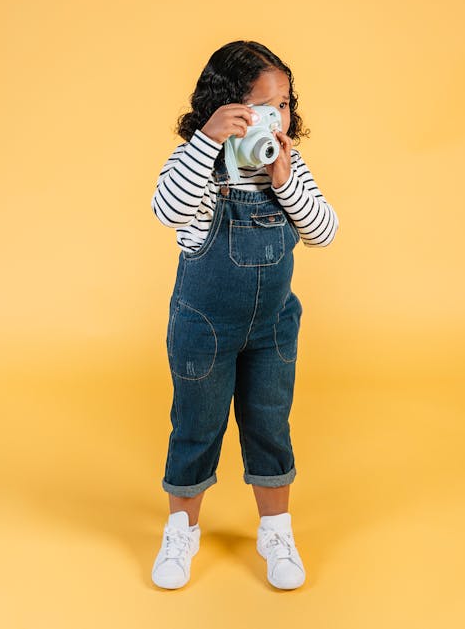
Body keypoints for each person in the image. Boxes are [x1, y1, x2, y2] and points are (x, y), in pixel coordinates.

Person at [150, 40, 339, 590]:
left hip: (273, 328)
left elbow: (323, 230)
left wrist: (283, 178)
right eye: (260, 106)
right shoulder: (198, 164)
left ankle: (275, 530)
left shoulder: (289, 164)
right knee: (195, 427)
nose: (273, 117)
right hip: (203, 327)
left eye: (281, 104)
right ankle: (181, 531)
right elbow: (167, 208)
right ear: (227, 109)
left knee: (270, 425)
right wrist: (206, 142)